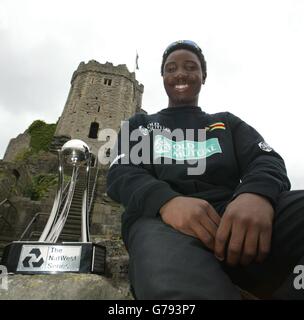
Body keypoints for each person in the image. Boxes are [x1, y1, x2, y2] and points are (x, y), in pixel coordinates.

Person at [106, 40, 304, 299]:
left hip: (232, 219)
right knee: (170, 285)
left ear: (203, 76)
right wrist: (167, 201)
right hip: (160, 223)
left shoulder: (225, 123)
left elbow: (265, 159)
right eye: (171, 68)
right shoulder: (140, 124)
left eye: (191, 67)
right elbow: (121, 171)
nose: (180, 73)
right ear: (163, 76)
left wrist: (255, 195)